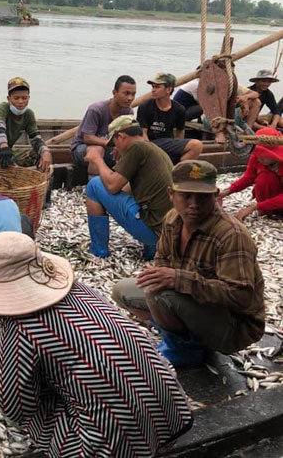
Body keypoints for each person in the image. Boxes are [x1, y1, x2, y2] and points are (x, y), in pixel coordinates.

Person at [0, 232, 193, 457]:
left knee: (33, 411)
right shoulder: (82, 290)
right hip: (173, 417)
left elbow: (12, 403)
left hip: (119, 447)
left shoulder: (22, 327)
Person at [112, 160, 265, 367]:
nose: (194, 204)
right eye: (186, 196)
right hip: (194, 301)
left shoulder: (231, 235)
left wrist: (179, 279)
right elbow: (162, 261)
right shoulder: (172, 219)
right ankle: (183, 334)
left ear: (215, 195)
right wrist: (160, 275)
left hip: (234, 325)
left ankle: (186, 350)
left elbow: (241, 296)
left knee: (158, 295)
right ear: (171, 194)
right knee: (121, 291)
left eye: (202, 197)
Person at [84, 115, 173, 260]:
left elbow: (112, 186)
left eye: (114, 143)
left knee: (94, 185)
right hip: (166, 232)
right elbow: (128, 188)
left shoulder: (137, 148)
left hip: (151, 230)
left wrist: (97, 160)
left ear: (121, 137)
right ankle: (152, 252)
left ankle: (98, 251)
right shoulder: (155, 150)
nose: (115, 148)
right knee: (141, 197)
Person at [0, 77, 52, 173]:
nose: (20, 102)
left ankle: (41, 182)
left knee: (41, 155)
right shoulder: (1, 109)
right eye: (16, 98)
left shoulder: (29, 114)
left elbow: (35, 138)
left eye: (24, 98)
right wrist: (4, 147)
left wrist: (45, 151)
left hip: (8, 151)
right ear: (9, 98)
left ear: (28, 98)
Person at [70, 75, 136, 175]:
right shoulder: (96, 109)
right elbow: (88, 138)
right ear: (115, 93)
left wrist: (121, 147)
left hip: (109, 150)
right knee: (98, 150)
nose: (130, 98)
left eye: (133, 94)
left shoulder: (128, 112)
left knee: (132, 153)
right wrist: (112, 144)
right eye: (126, 94)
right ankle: (95, 185)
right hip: (82, 148)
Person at [137, 73, 203, 164]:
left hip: (168, 143)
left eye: (157, 87)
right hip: (150, 143)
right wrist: (150, 152)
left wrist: (179, 150)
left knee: (197, 146)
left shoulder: (179, 109)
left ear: (168, 89)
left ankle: (176, 170)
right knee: (196, 144)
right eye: (153, 87)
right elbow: (143, 133)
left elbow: (180, 132)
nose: (153, 90)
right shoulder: (145, 107)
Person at [218, 127, 283, 219]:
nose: (260, 159)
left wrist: (254, 207)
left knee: (267, 178)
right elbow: (248, 178)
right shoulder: (257, 157)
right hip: (270, 200)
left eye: (264, 156)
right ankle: (267, 212)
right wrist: (225, 192)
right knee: (264, 178)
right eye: (258, 154)